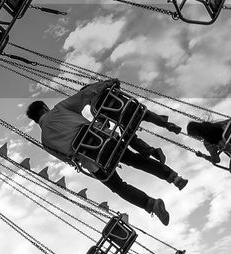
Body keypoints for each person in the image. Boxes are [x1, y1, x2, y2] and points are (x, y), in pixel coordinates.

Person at [25, 80, 185, 225]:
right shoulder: (59, 109)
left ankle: (150, 204)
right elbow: (85, 94)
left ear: (34, 119)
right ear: (45, 108)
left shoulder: (45, 141)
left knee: (118, 186)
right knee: (135, 160)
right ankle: (173, 178)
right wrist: (108, 83)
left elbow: (67, 159)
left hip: (94, 160)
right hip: (105, 139)